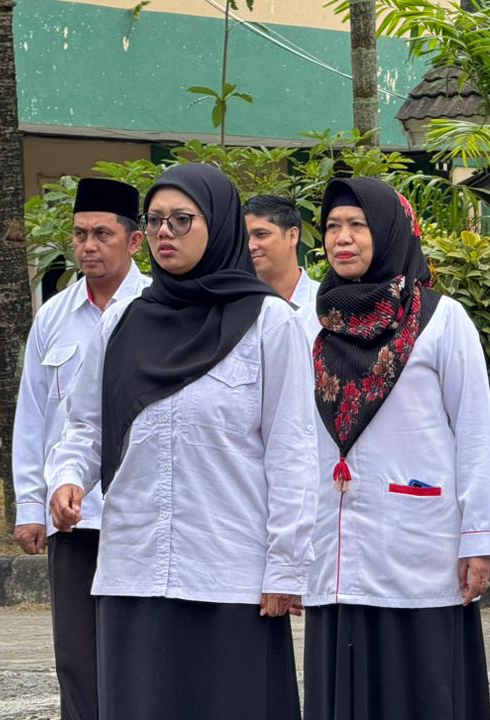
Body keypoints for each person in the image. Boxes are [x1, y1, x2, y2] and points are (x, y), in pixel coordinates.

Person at [46, 163, 317, 720]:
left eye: (182, 219)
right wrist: (68, 477)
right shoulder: (123, 322)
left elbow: (292, 451)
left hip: (229, 572)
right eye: (155, 220)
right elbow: (86, 425)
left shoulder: (269, 322)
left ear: (218, 224)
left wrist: (285, 566)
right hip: (134, 568)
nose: (164, 232)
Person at [302, 177, 490, 720]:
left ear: (390, 231)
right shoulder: (309, 324)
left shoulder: (442, 319)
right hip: (333, 545)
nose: (342, 238)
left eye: (357, 225)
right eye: (332, 226)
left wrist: (478, 537)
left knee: (422, 692)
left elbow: (475, 430)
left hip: (420, 543)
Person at [11, 177, 148, 720]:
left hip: (141, 517)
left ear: (134, 241)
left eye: (102, 234)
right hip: (71, 518)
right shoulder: (53, 316)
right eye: (80, 234)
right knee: (76, 655)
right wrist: (30, 505)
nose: (88, 246)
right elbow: (33, 415)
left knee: (140, 651)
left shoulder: (160, 308)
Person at [245, 194, 317, 308]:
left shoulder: (327, 303)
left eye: (261, 234)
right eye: (244, 238)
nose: (250, 246)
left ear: (292, 236)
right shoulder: (236, 307)